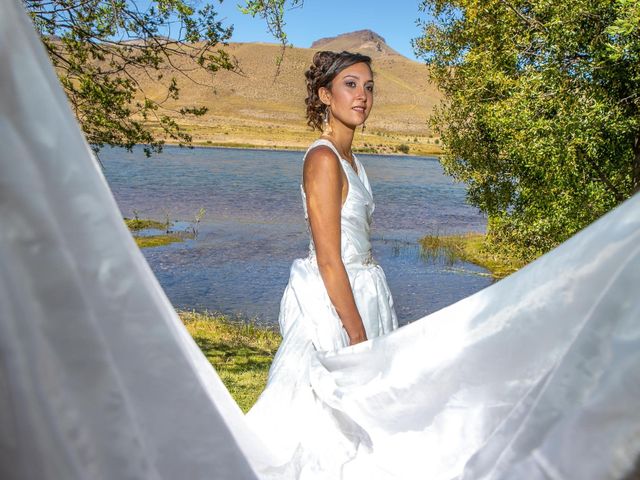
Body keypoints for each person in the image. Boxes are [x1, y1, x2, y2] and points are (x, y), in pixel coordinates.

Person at [245, 50, 398, 475]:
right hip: (335, 301)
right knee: (318, 423)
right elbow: (330, 259)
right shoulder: (324, 159)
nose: (362, 95)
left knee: (360, 423)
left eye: (369, 87)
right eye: (350, 85)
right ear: (325, 95)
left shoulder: (352, 161)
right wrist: (357, 334)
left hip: (365, 290)